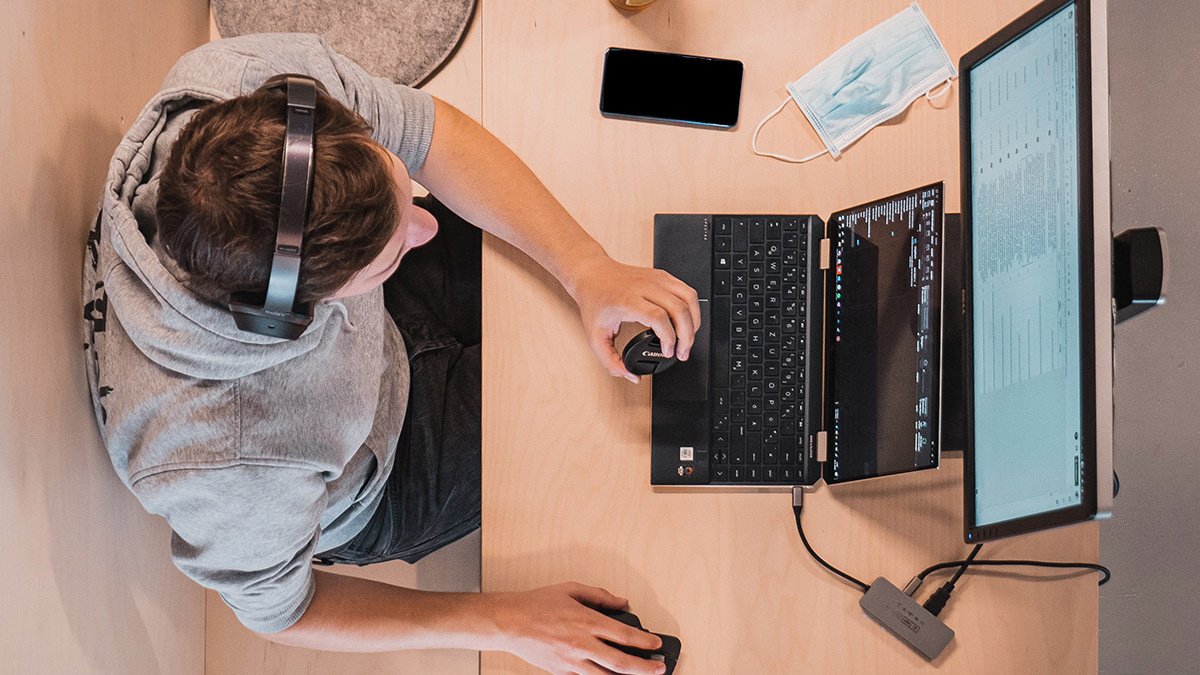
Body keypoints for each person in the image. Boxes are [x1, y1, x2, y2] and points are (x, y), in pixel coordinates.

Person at [82, 34, 699, 675]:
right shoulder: (228, 461)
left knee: (623, 295)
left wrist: (587, 267)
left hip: (379, 329)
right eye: (394, 247)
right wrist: (506, 622)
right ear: (298, 310)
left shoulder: (238, 83)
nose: (427, 227)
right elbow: (285, 613)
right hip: (387, 468)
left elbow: (429, 136)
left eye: (399, 189)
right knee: (605, 425)